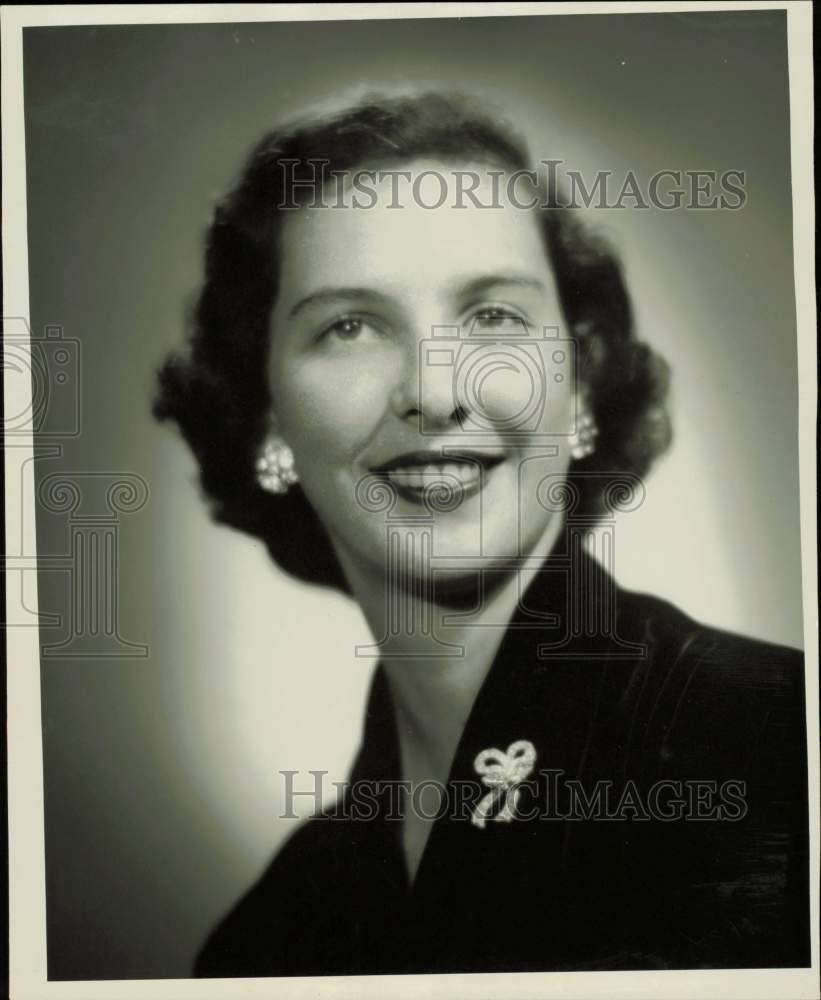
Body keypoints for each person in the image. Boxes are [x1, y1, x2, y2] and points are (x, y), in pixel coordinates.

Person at [153, 91, 809, 975]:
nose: (434, 389)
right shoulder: (264, 946)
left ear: (578, 383)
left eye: (492, 316)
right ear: (266, 420)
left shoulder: (780, 750)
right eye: (349, 326)